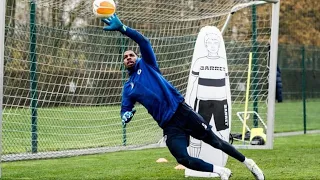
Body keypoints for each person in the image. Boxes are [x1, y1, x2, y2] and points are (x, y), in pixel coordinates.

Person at [102, 14, 265, 180]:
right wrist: (125, 116)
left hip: (182, 112)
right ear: (123, 63)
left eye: (131, 55)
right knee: (183, 158)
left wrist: (123, 28)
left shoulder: (147, 64)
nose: (128, 57)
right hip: (169, 125)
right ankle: (221, 171)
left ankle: (249, 163)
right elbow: (125, 109)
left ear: (137, 57)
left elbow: (143, 42)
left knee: (216, 142)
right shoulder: (128, 88)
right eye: (125, 57)